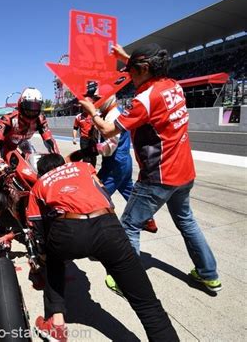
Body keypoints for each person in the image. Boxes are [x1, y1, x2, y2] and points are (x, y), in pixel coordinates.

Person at [79, 43, 222, 292]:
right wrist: (125, 57)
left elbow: (107, 130)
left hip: (159, 176)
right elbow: (149, 73)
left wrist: (92, 111)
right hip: (185, 173)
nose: (129, 77)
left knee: (130, 226)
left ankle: (128, 283)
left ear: (144, 69)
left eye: (131, 71)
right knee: (187, 222)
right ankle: (208, 273)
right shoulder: (173, 85)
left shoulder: (144, 100)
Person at [27, 154, 178, 342]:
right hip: (107, 224)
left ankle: (56, 323)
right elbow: (105, 194)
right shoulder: (83, 167)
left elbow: (36, 227)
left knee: (53, 261)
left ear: (41, 172)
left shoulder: (39, 185)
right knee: (147, 303)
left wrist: (42, 255)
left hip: (68, 230)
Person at [88, 83, 158, 234]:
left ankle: (101, 231)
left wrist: (94, 149)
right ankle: (148, 221)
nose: (95, 102)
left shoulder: (113, 115)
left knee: (97, 195)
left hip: (114, 164)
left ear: (107, 98)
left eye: (97, 99)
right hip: (123, 161)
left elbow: (109, 147)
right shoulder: (113, 112)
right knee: (130, 193)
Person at [0, 87, 59, 178]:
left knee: (33, 162)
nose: (32, 111)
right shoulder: (8, 119)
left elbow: (49, 139)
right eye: (29, 107)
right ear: (21, 105)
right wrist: (0, 163)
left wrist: (58, 158)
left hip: (21, 142)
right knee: (2, 173)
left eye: (36, 107)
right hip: (4, 145)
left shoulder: (40, 119)